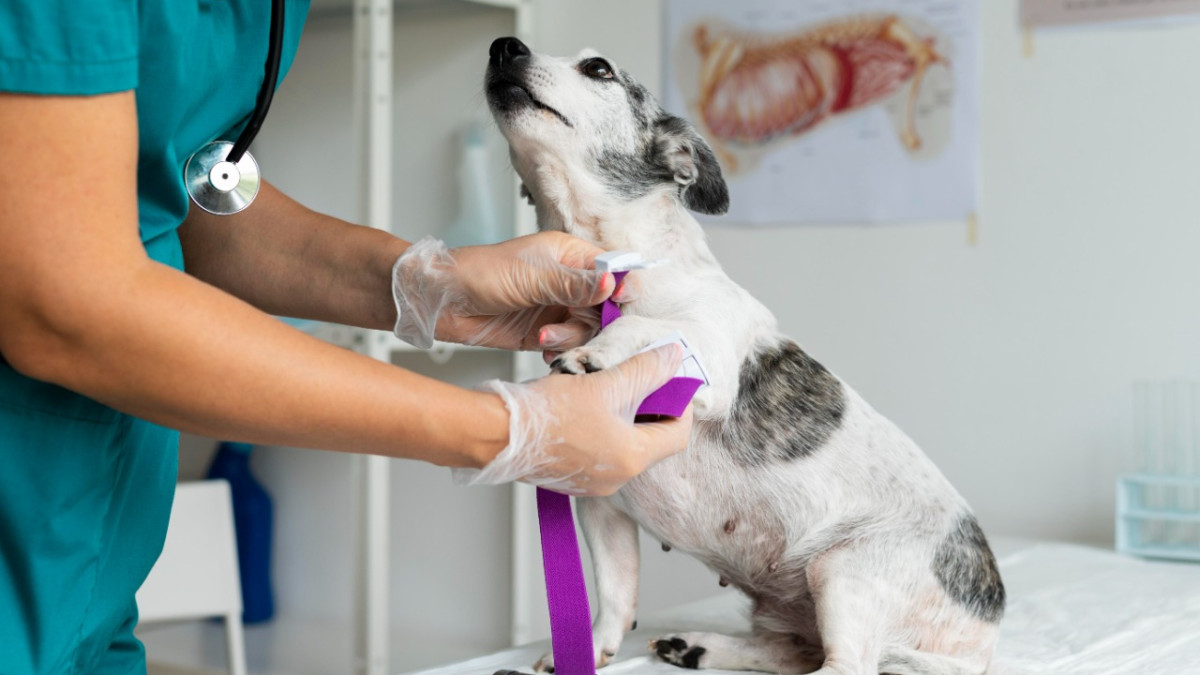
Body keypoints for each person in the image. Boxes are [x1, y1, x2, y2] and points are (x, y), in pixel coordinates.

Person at [0, 2, 692, 673]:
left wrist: (428, 284)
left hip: (90, 595)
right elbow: (66, 299)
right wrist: (506, 430)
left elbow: (180, 190)